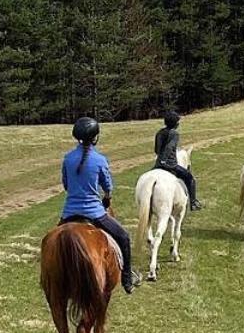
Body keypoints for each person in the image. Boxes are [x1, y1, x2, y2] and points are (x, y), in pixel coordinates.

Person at [60, 116, 139, 293]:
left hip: (68, 213)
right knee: (124, 238)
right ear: (95, 137)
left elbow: (66, 185)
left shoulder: (67, 159)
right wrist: (107, 197)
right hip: (94, 213)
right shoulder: (100, 160)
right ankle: (127, 278)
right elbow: (107, 187)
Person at [153, 108, 202, 209]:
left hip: (157, 164)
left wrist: (160, 159)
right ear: (174, 123)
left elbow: (157, 150)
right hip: (170, 164)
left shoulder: (159, 133)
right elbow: (170, 147)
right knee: (190, 178)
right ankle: (193, 202)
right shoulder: (174, 134)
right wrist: (165, 160)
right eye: (178, 121)